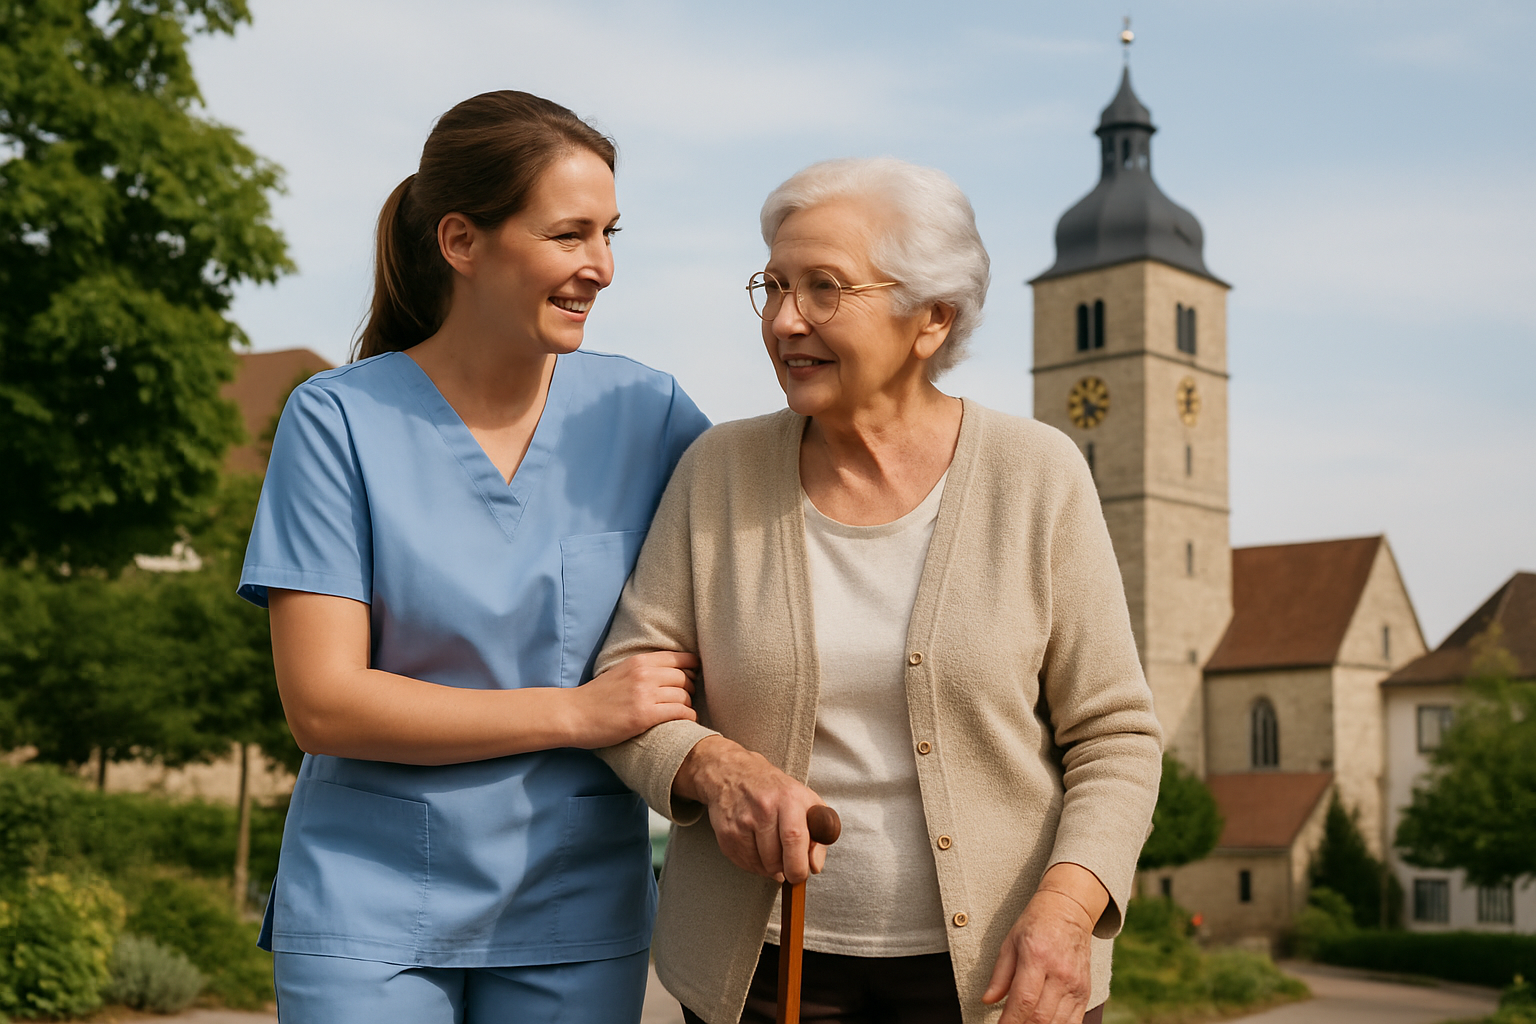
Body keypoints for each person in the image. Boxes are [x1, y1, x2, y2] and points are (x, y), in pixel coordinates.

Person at [597, 158, 1163, 1024]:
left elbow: (1116, 738)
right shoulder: (718, 471)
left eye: (825, 288)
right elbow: (631, 693)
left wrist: (1067, 911)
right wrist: (715, 768)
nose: (786, 321)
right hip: (765, 976)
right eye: (775, 286)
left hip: (1003, 978)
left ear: (931, 319)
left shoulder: (1037, 474)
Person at [237, 91, 710, 1024]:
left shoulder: (649, 415)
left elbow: (777, 558)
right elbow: (324, 703)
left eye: (611, 233)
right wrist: (577, 712)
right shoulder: (337, 421)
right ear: (461, 241)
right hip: (368, 911)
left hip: (575, 906)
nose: (602, 267)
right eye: (570, 234)